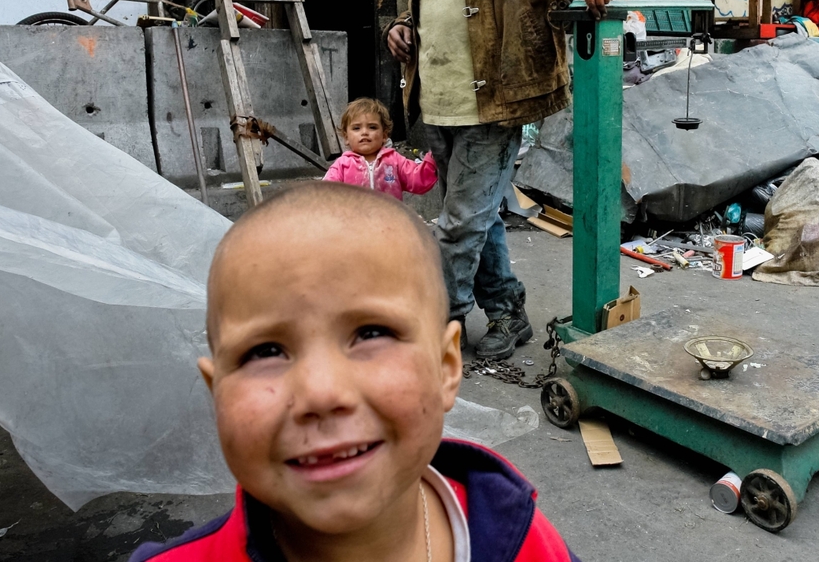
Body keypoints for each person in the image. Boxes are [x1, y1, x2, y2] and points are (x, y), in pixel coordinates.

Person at [129, 183, 581, 562]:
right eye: (264, 351)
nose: (321, 393)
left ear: (446, 367)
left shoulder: (521, 541)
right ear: (217, 392)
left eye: (370, 334)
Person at [382, 0, 626, 359]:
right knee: (482, 215)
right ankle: (508, 313)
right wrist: (400, 25)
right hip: (435, 97)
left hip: (497, 98)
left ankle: (429, 328)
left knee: (459, 224)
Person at [323, 98, 437, 201]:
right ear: (346, 137)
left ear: (384, 135)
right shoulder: (342, 165)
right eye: (356, 128)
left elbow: (417, 180)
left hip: (389, 221)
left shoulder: (394, 161)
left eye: (372, 127)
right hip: (354, 222)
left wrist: (434, 159)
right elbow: (325, 193)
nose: (364, 132)